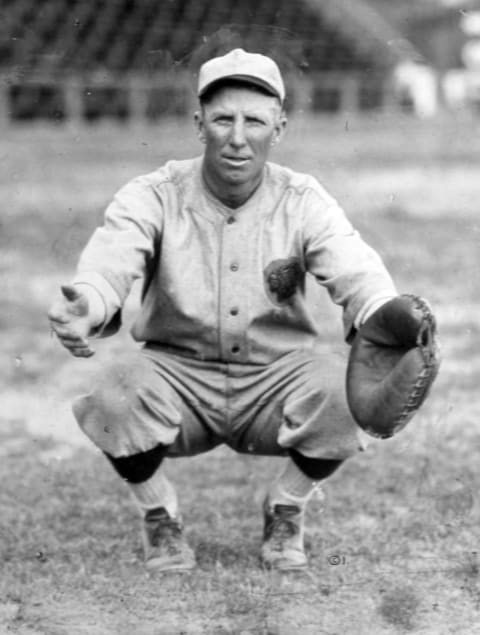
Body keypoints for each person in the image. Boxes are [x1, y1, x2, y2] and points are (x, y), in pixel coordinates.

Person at [48, 48, 397, 573]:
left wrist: (388, 315)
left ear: (278, 128)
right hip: (177, 375)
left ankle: (287, 506)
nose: (237, 137)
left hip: (274, 377)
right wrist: (90, 302)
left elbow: (356, 272)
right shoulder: (155, 193)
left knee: (344, 393)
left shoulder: (302, 199)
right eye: (222, 119)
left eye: (254, 120)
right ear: (198, 123)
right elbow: (112, 260)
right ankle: (158, 514)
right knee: (114, 394)